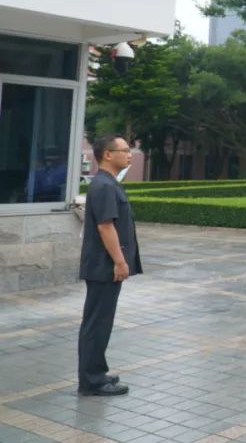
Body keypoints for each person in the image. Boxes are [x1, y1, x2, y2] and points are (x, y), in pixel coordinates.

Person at [78, 134, 142, 396]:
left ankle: (96, 372)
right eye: (125, 150)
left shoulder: (108, 183)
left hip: (104, 267)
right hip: (104, 267)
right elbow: (106, 227)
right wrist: (119, 261)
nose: (129, 155)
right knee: (97, 323)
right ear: (107, 154)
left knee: (100, 322)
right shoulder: (104, 186)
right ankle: (92, 381)